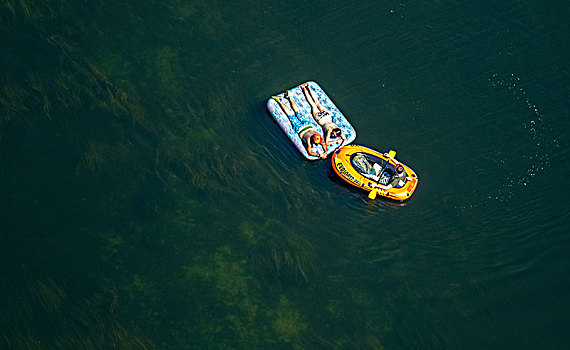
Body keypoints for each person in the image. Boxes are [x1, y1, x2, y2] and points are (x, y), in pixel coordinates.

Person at [272, 91, 327, 159]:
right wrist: (320, 155)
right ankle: (280, 100)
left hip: (307, 125)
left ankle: (288, 98)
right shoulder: (309, 140)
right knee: (291, 115)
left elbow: (324, 144)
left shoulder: (316, 137)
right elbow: (310, 152)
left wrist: (325, 152)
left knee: (297, 111)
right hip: (301, 128)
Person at [301, 83, 347, 148]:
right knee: (313, 104)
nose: (333, 136)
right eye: (333, 135)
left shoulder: (338, 130)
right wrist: (336, 141)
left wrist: (340, 145)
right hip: (321, 119)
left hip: (327, 116)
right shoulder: (329, 131)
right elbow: (327, 142)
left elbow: (345, 139)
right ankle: (304, 89)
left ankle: (308, 87)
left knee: (317, 102)